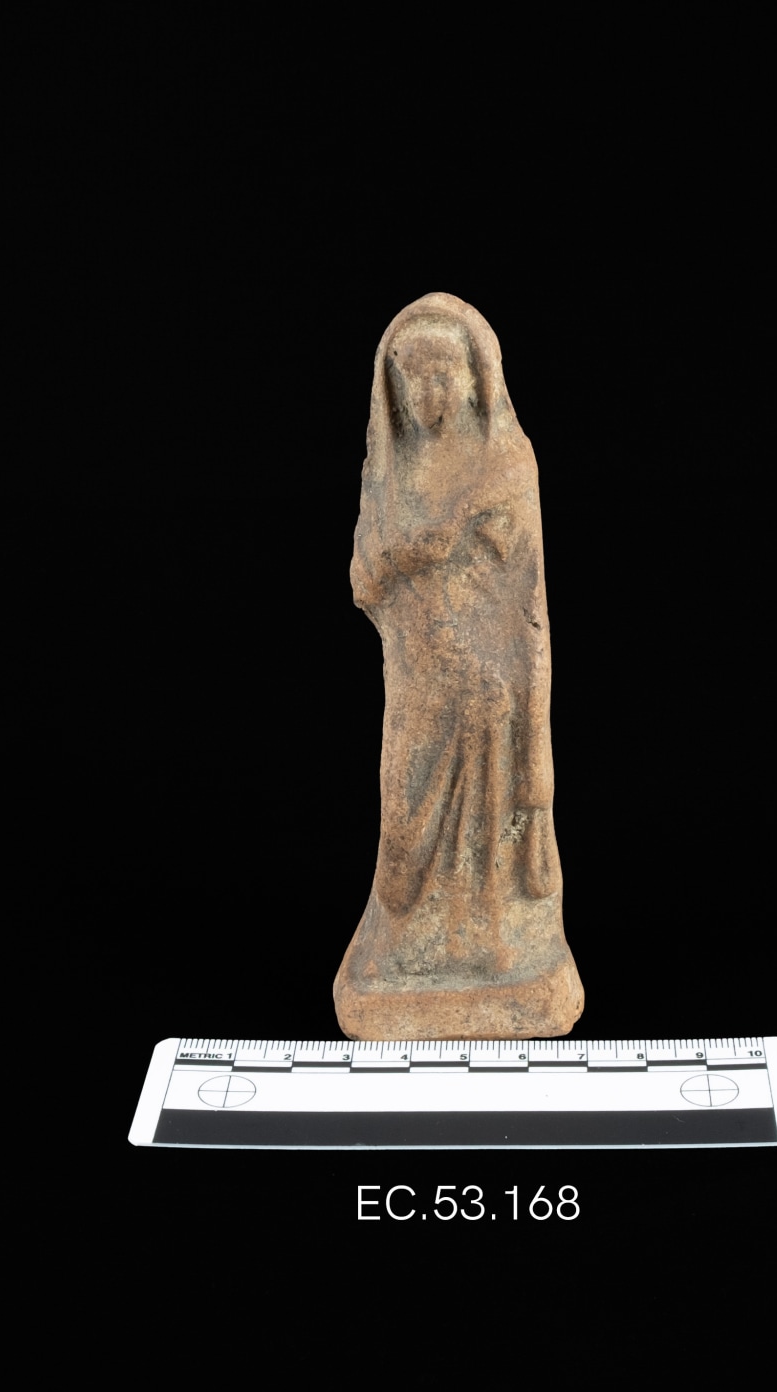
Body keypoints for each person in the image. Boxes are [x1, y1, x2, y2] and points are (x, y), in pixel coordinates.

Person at [336, 293, 582, 1039]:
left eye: (445, 376)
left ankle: (497, 952)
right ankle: (405, 950)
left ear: (478, 379)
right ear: (394, 388)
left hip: (488, 688)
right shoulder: (390, 473)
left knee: (490, 840)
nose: (431, 394)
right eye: (415, 379)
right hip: (418, 681)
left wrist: (532, 716)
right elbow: (361, 580)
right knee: (405, 830)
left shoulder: (506, 465)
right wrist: (407, 555)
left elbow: (528, 597)